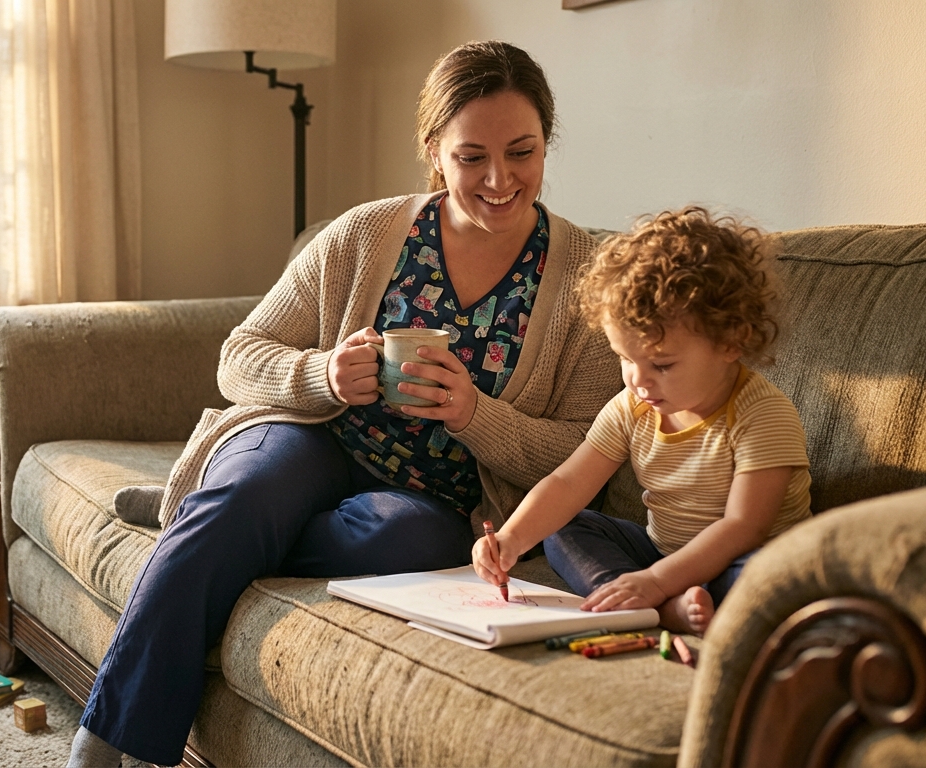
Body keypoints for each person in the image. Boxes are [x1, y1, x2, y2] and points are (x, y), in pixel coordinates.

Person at [68, 41, 622, 768]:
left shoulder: (584, 275)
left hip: (429, 500)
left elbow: (587, 450)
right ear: (433, 150)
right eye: (470, 157)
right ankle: (104, 741)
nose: (498, 179)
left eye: (522, 152)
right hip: (312, 436)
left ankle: (206, 517)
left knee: (418, 544)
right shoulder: (367, 233)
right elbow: (240, 354)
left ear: (546, 143)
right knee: (251, 491)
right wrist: (325, 375)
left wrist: (473, 414)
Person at [473, 207, 813, 635]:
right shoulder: (632, 406)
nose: (638, 380)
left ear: (731, 342)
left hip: (740, 558)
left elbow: (744, 527)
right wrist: (511, 540)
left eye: (662, 364)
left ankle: (661, 601)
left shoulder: (762, 415)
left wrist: (655, 581)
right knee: (566, 528)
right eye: (624, 358)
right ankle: (640, 604)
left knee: (774, 573)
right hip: (658, 552)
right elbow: (568, 483)